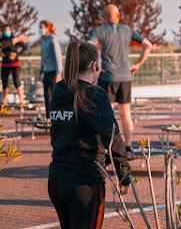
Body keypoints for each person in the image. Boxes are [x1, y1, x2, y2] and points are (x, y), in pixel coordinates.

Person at [48, 41, 131, 229]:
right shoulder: (94, 95)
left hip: (57, 179)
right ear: (95, 66)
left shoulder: (58, 91)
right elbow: (113, 137)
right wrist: (124, 174)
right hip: (85, 181)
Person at [88, 4, 153, 153]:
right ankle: (128, 146)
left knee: (106, 113)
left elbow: (88, 46)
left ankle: (108, 147)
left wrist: (96, 65)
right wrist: (137, 64)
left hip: (107, 76)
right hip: (125, 77)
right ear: (118, 16)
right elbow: (148, 45)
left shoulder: (99, 31)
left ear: (104, 17)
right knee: (126, 113)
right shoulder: (127, 30)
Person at [39, 20, 63, 121]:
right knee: (46, 94)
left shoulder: (53, 39)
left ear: (48, 28)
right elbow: (43, 57)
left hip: (53, 71)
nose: (40, 29)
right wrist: (41, 70)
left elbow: (58, 56)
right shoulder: (43, 40)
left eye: (42, 27)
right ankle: (48, 116)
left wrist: (58, 72)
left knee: (54, 94)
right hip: (46, 70)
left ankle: (56, 115)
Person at [1, 25, 29, 106]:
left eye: (8, 30)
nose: (6, 32)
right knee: (4, 82)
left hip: (15, 63)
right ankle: (4, 101)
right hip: (5, 63)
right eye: (5, 30)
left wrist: (16, 54)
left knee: (16, 81)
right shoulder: (2, 40)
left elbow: (24, 47)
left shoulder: (13, 38)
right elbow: (2, 46)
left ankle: (21, 100)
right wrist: (3, 54)